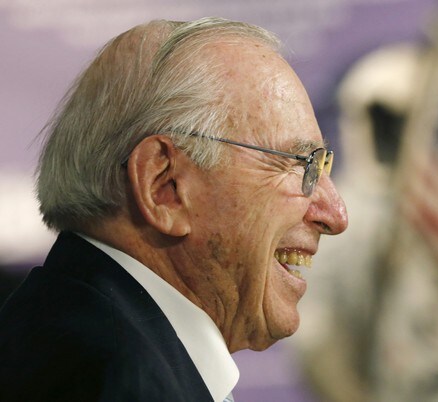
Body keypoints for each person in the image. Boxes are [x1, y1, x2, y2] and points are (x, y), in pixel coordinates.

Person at [0, 17, 347, 402]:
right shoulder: (123, 384)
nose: (335, 215)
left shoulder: (63, 334)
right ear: (164, 185)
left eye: (323, 166)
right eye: (299, 164)